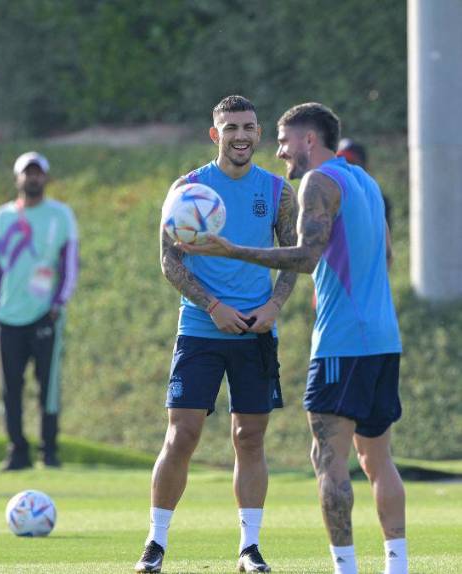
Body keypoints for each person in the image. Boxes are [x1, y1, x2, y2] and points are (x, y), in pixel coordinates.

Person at [182, 102, 406, 574]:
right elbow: (385, 254)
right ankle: (397, 566)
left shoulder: (317, 183)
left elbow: (304, 258)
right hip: (385, 340)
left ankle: (345, 568)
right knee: (378, 460)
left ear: (309, 140)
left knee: (328, 460)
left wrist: (230, 249)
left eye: (284, 141)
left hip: (343, 345)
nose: (279, 151)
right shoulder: (364, 181)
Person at [136, 95, 299, 573]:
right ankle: (155, 543)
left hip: (255, 333)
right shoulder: (186, 189)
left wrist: (273, 305)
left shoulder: (277, 191)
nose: (241, 135)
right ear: (216, 134)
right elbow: (170, 260)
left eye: (248, 126)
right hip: (201, 330)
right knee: (182, 435)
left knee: (249, 437)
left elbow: (292, 256)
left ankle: (249, 547)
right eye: (231, 128)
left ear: (260, 133)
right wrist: (212, 305)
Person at [0, 151, 78, 471]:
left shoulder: (61, 215)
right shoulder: (2, 216)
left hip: (45, 315)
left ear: (46, 178)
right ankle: (17, 451)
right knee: (9, 388)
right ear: (17, 178)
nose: (33, 178)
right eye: (28, 173)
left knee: (47, 387)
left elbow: (69, 262)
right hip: (8, 316)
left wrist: (58, 304)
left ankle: (49, 451)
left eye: (38, 173)